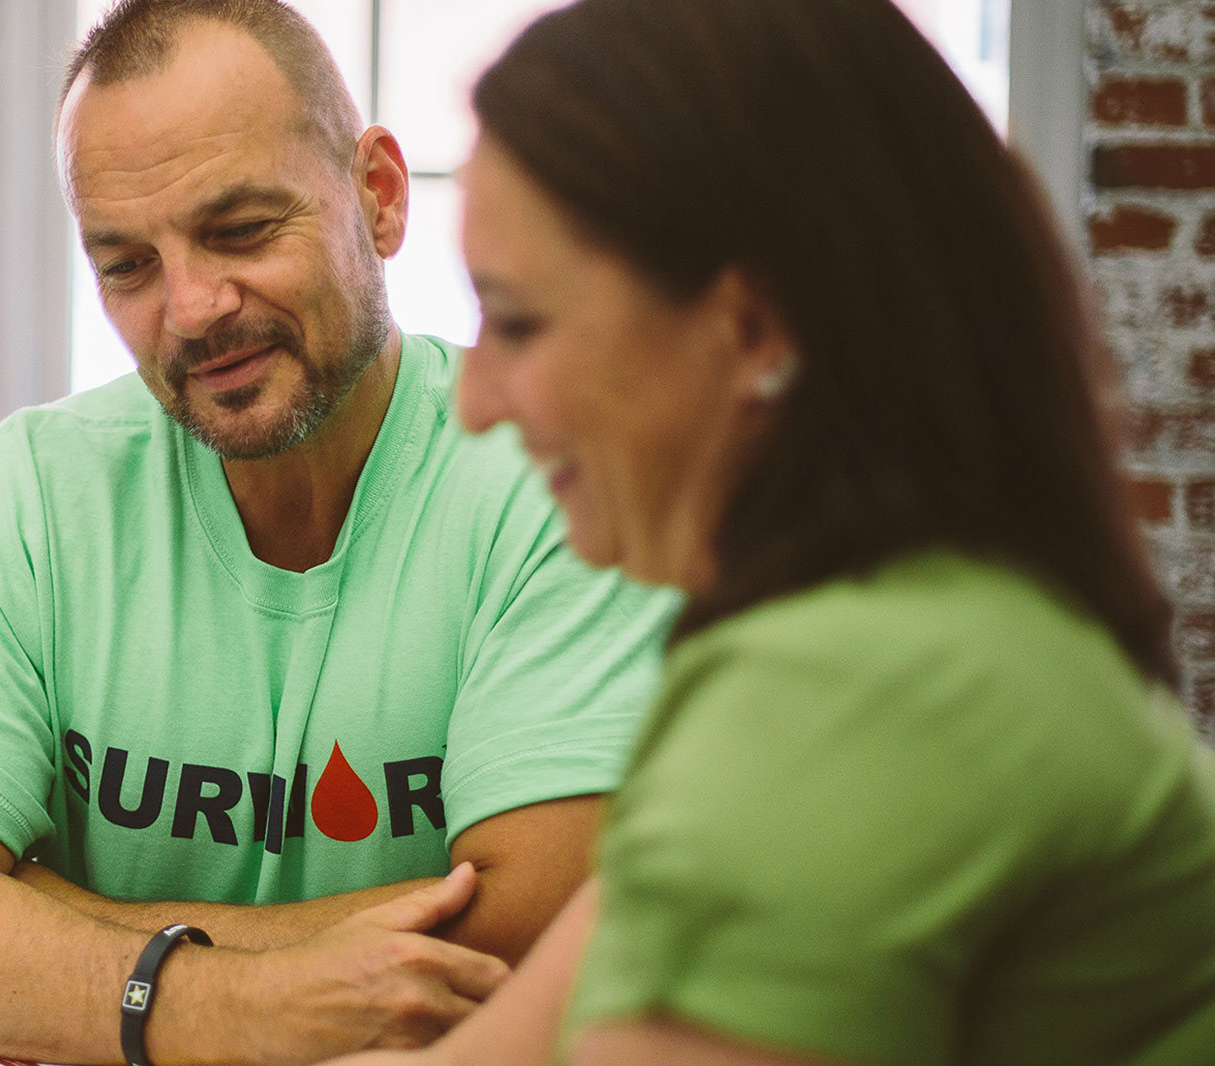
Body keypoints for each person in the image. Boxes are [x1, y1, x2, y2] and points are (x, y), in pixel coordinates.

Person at [327, 0, 1215, 1064]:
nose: (474, 404)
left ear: (751, 328)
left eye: (517, 322)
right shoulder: (906, 632)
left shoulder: (850, 694)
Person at [0, 1, 673, 1063]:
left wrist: (34, 925)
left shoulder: (553, 483)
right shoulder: (24, 500)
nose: (193, 307)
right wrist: (229, 1005)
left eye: (241, 230)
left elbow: (533, 933)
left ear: (378, 195)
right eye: (127, 265)